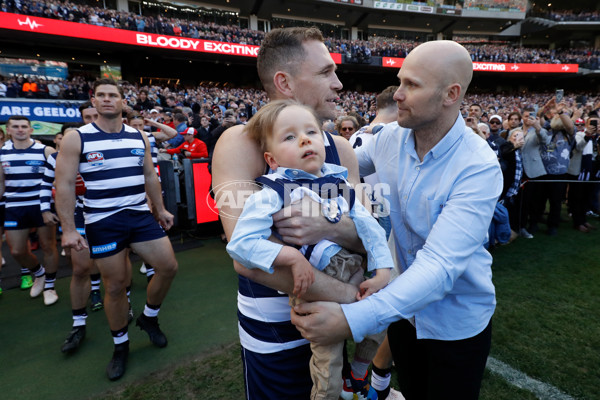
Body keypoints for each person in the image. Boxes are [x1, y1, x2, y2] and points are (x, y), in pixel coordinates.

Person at [291, 40, 503, 400]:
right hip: (405, 316)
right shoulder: (388, 139)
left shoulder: (477, 166)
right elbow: (332, 167)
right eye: (400, 81)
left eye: (412, 85)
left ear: (451, 94)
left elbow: (438, 265)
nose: (398, 95)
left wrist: (352, 319)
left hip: (456, 324)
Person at [212, 27, 366, 400]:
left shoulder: (342, 149)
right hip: (276, 334)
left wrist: (325, 224)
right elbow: (246, 256)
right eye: (326, 72)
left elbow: (372, 232)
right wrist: (355, 300)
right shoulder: (240, 141)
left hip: (338, 321)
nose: (339, 83)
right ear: (285, 82)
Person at [226, 100, 392, 400]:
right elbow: (240, 244)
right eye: (289, 137)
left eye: (311, 132)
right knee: (327, 366)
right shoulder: (273, 191)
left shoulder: (339, 180)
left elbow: (369, 229)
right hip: (315, 287)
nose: (304, 139)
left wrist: (382, 271)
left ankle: (358, 373)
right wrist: (288, 256)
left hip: (353, 272)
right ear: (272, 160)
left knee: (383, 322)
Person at [55, 79, 178, 381]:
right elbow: (65, 184)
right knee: (114, 285)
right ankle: (120, 346)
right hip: (102, 221)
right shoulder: (76, 137)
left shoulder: (138, 135)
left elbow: (149, 174)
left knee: (168, 267)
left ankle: (149, 319)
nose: (108, 100)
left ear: (123, 101)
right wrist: (69, 229)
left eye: (114, 96)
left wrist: (160, 209)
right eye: (102, 96)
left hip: (139, 216)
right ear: (93, 101)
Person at [0, 116, 60, 305]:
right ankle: (39, 273)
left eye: (24, 126)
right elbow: (1, 183)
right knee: (17, 251)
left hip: (42, 206)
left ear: (30, 130)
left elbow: (57, 181)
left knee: (48, 246)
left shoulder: (45, 150)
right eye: (15, 127)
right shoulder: (2, 153)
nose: (20, 130)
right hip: (14, 206)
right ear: (8, 130)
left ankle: (50, 286)